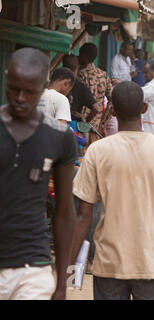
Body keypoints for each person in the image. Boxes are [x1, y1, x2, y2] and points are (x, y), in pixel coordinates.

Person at [71, 81, 154, 300]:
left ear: (113, 110)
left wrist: (70, 267)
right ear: (144, 108)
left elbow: (83, 215)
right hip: (153, 262)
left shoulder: (98, 150)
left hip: (109, 263)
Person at [0, 48, 78, 300]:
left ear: (45, 87)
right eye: (13, 89)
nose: (20, 98)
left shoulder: (60, 137)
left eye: (29, 92)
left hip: (33, 268)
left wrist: (62, 283)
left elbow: (64, 211)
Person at [78, 43, 113, 143]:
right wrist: (103, 122)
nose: (78, 57)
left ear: (84, 56)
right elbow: (112, 100)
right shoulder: (104, 75)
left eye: (80, 54)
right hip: (96, 127)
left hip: (81, 124)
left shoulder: (81, 75)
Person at [62, 54, 98, 124]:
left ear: (63, 66)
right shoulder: (81, 87)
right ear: (78, 67)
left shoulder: (56, 81)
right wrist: (85, 121)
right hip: (74, 126)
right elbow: (96, 108)